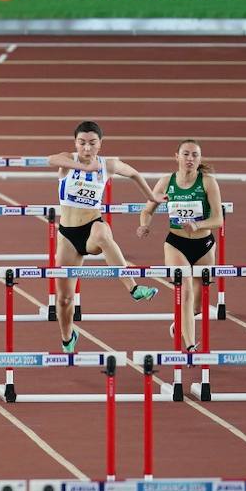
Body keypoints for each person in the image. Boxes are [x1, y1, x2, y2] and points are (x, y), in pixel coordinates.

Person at [47, 121, 161, 353]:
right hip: (68, 237)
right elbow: (51, 159)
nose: (87, 149)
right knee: (64, 299)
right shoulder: (68, 160)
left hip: (92, 228)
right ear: (75, 143)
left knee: (102, 232)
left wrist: (152, 197)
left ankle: (133, 288)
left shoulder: (108, 165)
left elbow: (135, 174)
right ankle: (68, 335)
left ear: (100, 144)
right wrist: (83, 168)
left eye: (92, 143)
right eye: (82, 143)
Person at [137, 140, 223, 351]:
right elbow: (147, 210)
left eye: (195, 155)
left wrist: (197, 224)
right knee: (184, 290)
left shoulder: (208, 182)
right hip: (176, 244)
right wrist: (144, 225)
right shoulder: (166, 182)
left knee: (197, 305)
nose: (190, 159)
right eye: (186, 154)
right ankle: (191, 346)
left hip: (204, 244)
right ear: (176, 156)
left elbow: (218, 219)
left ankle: (181, 326)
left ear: (199, 159)